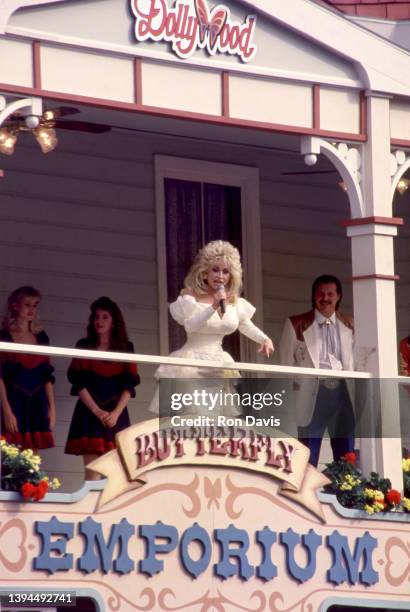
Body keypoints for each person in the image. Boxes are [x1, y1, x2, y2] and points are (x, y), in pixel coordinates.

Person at [149, 240, 274, 416]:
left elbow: (244, 325)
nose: (220, 276)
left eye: (226, 271)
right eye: (215, 269)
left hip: (218, 363)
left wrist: (264, 339)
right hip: (191, 363)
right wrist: (213, 306)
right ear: (204, 272)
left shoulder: (233, 302)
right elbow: (190, 325)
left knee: (216, 418)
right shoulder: (190, 297)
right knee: (192, 415)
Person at [279, 274, 355, 467]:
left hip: (343, 393)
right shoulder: (297, 323)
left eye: (330, 293)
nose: (325, 298)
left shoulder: (351, 324)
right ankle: (305, 495)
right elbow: (286, 366)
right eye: (320, 293)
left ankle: (346, 495)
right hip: (312, 393)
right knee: (308, 453)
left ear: (339, 296)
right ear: (313, 296)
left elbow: (359, 361)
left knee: (346, 454)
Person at [65, 296, 140, 480]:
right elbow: (78, 382)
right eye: (96, 317)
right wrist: (97, 412)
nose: (99, 321)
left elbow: (129, 384)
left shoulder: (125, 347)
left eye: (105, 317)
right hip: (90, 414)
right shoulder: (84, 346)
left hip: (117, 415)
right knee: (92, 476)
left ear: (114, 321)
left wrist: (115, 413)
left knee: (115, 478)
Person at [0, 286, 56, 450]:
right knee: (11, 455)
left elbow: (47, 376)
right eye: (27, 304)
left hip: (37, 401)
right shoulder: (4, 336)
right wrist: (6, 410)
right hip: (14, 400)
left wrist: (52, 409)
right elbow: (0, 376)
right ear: (15, 306)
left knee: (33, 457)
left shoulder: (42, 337)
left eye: (35, 305)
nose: (32, 309)